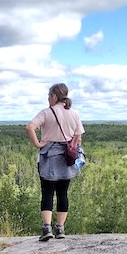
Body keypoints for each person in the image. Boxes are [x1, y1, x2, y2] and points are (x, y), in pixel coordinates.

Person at [25, 83, 85, 241]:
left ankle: (46, 229)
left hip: (49, 157)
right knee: (63, 193)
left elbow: (30, 127)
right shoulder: (74, 114)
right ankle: (60, 229)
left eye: (48, 95)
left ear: (53, 96)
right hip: (66, 158)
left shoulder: (46, 113)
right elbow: (78, 138)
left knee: (47, 192)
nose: (47, 98)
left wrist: (38, 144)